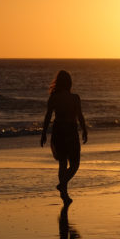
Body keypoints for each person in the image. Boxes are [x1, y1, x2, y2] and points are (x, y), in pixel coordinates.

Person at [41, 70, 88, 206]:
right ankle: (63, 187)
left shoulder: (54, 97)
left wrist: (44, 133)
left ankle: (63, 192)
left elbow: (48, 117)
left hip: (58, 131)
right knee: (75, 164)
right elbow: (80, 116)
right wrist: (84, 130)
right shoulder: (75, 98)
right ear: (69, 83)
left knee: (62, 163)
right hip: (70, 131)